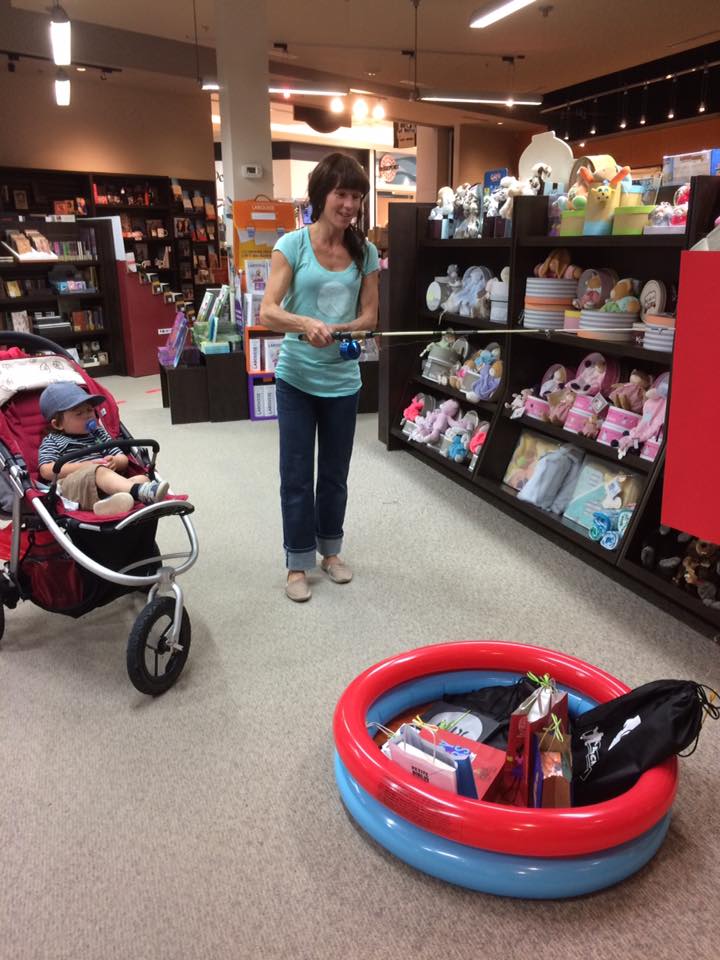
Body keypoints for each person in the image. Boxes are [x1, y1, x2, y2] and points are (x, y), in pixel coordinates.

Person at [260, 152, 379, 602]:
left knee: (334, 474)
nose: (349, 204)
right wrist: (306, 324)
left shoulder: (364, 252)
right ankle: (297, 560)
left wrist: (343, 329)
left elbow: (369, 315)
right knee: (295, 474)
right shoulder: (291, 245)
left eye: (356, 196)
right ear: (321, 195)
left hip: (342, 381)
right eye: (341, 194)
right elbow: (268, 311)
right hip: (295, 379)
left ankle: (331, 551)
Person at [37, 382, 170, 515]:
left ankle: (111, 502)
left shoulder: (98, 433)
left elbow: (122, 458)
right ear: (58, 424)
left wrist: (114, 462)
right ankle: (134, 493)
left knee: (143, 478)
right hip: (73, 488)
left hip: (106, 484)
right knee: (98, 470)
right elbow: (46, 470)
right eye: (79, 413)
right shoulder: (52, 440)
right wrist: (87, 466)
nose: (88, 415)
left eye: (90, 410)